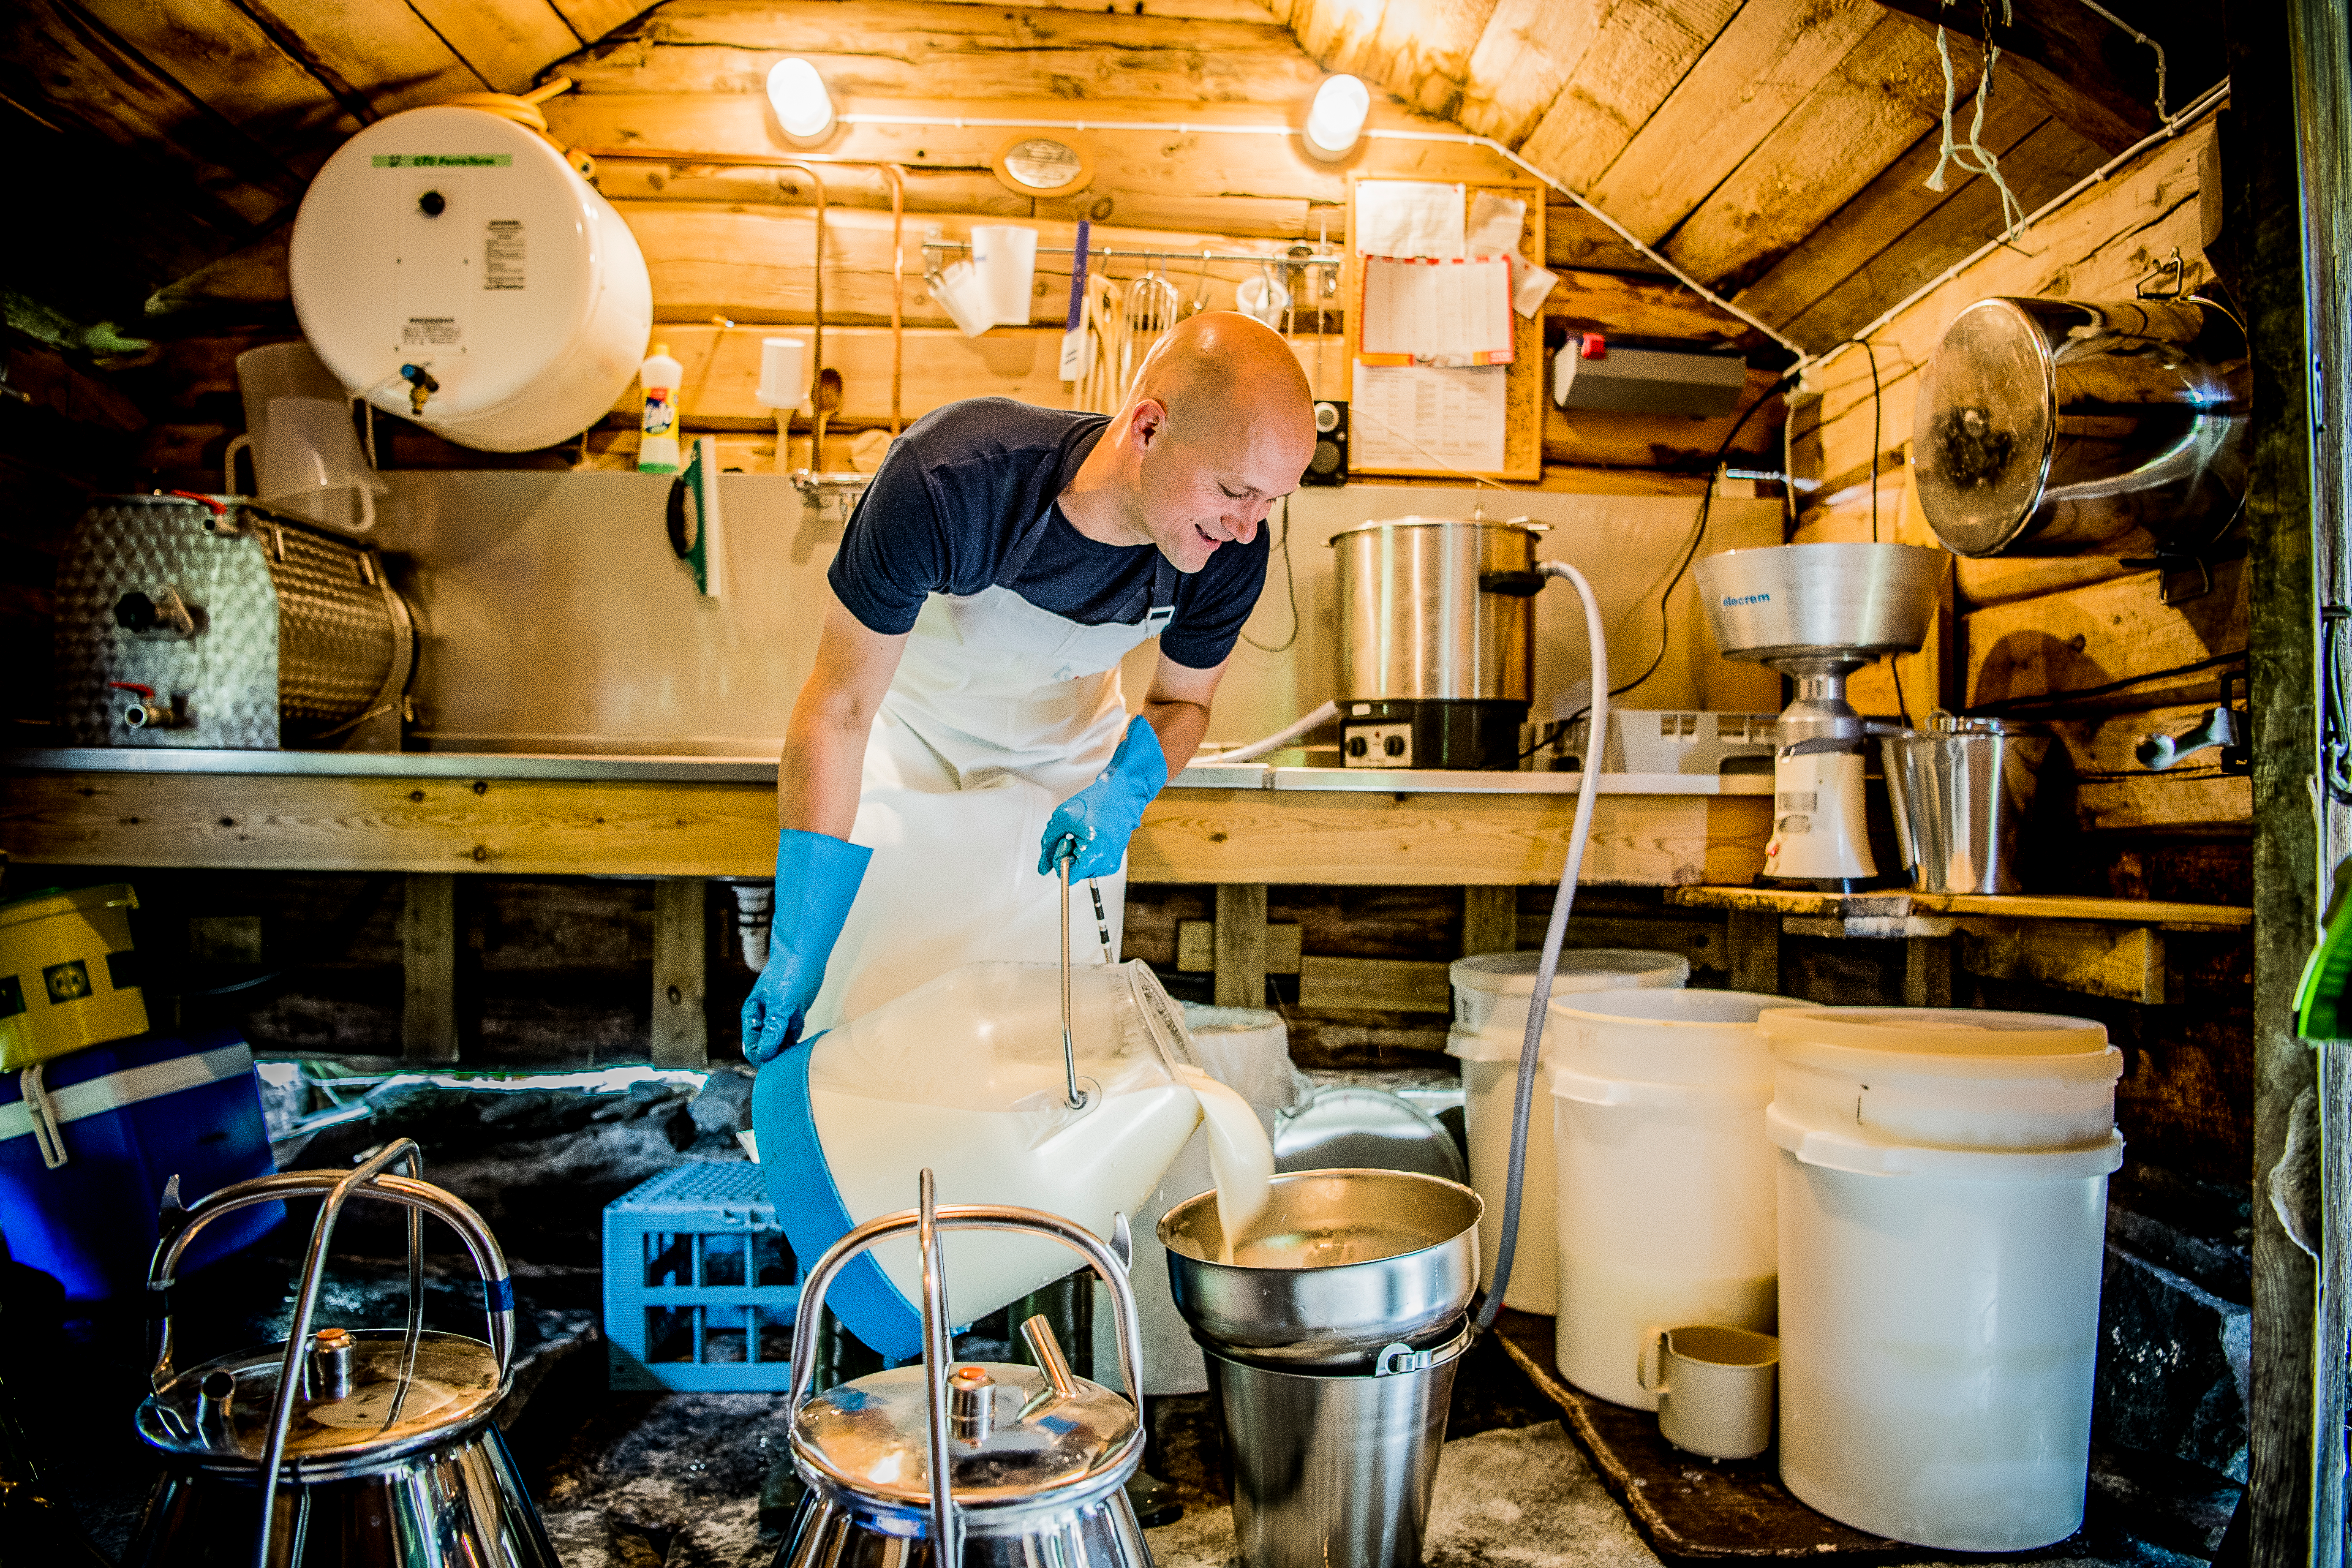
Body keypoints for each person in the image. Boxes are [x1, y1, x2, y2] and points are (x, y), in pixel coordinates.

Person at [741, 310, 1316, 1059]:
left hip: (1072, 775)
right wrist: (798, 944)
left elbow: (1184, 703)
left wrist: (1127, 788)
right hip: (912, 753)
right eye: (1235, 491)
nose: (1248, 528)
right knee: (876, 1024)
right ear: (1146, 429)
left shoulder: (1230, 550)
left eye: (1272, 502)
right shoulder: (951, 481)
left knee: (1048, 1049)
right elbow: (841, 709)